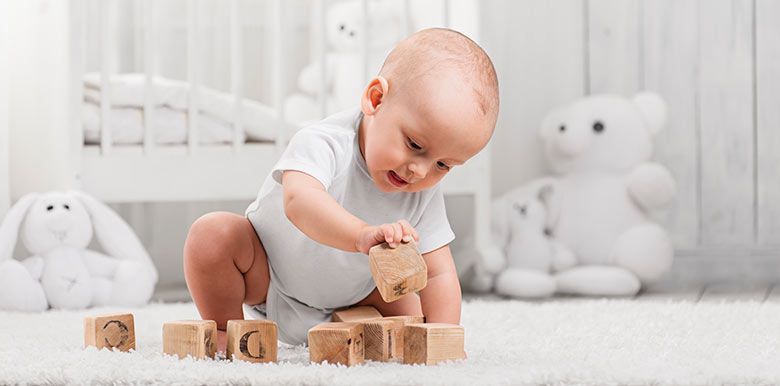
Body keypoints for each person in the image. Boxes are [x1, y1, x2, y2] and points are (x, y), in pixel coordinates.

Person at [183, 27, 499, 351]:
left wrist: (442, 338)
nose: (420, 171)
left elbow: (438, 274)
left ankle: (370, 340)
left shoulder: (422, 189)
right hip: (267, 278)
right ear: (376, 99)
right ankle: (224, 329)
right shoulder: (325, 142)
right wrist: (360, 235)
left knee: (411, 312)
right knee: (213, 236)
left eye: (443, 165)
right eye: (415, 144)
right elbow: (299, 202)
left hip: (352, 299)